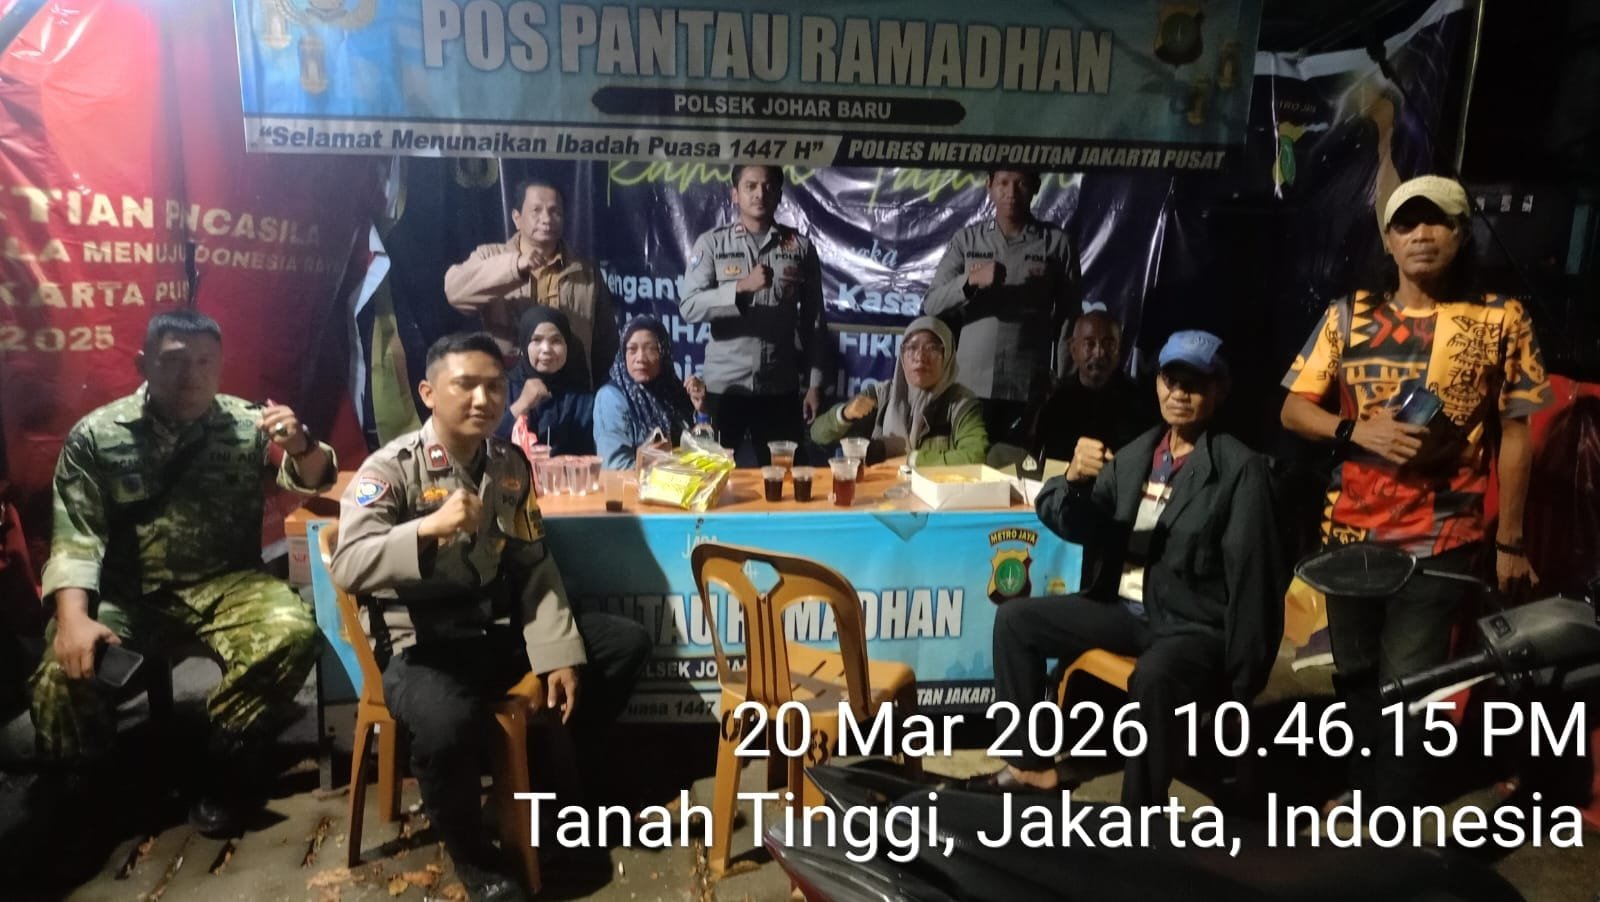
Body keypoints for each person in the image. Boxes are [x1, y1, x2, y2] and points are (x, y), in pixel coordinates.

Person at [330, 333, 651, 901]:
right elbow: (349, 564)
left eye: (495, 386)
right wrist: (424, 530)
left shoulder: (508, 465)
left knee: (620, 643)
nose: (483, 399)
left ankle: (546, 792)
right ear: (429, 393)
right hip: (418, 648)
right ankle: (476, 860)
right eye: (466, 385)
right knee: (446, 724)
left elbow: (533, 564)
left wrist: (558, 654)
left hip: (489, 634)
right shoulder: (392, 470)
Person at [1279, 175, 1550, 810]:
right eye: (1406, 224)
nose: (1420, 235)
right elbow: (1293, 408)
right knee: (1355, 673)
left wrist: (1510, 541)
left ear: (1461, 234)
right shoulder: (1348, 314)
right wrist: (1354, 429)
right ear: (1388, 240)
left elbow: (1516, 433)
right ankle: (1361, 790)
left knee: (1411, 683)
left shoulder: (1500, 318)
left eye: (1436, 222)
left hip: (1441, 537)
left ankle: (1389, 817)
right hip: (1350, 533)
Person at [29, 310, 334, 836]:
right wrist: (73, 619)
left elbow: (313, 479)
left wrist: (301, 444)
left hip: (226, 583)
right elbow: (76, 536)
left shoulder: (247, 424)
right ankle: (82, 779)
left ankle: (224, 756)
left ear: (220, 365)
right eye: (174, 361)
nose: (191, 375)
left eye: (204, 362)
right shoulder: (97, 436)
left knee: (293, 632)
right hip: (127, 592)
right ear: (143, 363)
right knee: (61, 672)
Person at [989, 331, 1283, 808]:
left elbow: (1257, 582)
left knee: (1154, 676)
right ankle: (1029, 766)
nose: (1180, 393)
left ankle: (1138, 813)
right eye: (1171, 380)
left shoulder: (1239, 469)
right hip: (1124, 611)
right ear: (1157, 384)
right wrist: (1072, 481)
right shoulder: (1136, 456)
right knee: (1015, 620)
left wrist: (1243, 686)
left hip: (1191, 626)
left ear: (1220, 389)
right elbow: (1072, 521)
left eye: (1194, 382)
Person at [679, 164, 828, 465]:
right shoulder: (712, 243)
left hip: (779, 387)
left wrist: (814, 385)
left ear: (779, 195)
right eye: (750, 186)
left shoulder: (799, 247)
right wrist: (740, 288)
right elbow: (689, 307)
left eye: (768, 187)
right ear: (735, 194)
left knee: (784, 478)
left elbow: (813, 322)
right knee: (713, 474)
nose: (760, 193)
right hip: (725, 389)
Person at [924, 168, 1081, 444]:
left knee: (1018, 466)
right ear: (989, 185)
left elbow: (1069, 321)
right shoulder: (967, 240)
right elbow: (931, 304)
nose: (1011, 193)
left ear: (1036, 187)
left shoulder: (1057, 244)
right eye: (1003, 183)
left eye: (1021, 183)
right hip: (970, 386)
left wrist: (1064, 382)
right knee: (969, 465)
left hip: (1028, 387)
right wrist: (970, 280)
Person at [444, 178, 617, 388]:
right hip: (509, 389)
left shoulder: (586, 272)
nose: (546, 219)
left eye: (555, 211)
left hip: (571, 392)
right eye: (536, 210)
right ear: (517, 218)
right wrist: (515, 267)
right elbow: (455, 291)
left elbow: (606, 343)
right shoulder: (490, 256)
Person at [811, 316, 989, 466]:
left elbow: (975, 457)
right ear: (902, 356)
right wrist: (845, 414)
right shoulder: (882, 395)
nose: (920, 357)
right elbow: (818, 434)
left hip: (935, 494)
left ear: (948, 356)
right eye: (911, 348)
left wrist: (911, 460)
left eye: (932, 348)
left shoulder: (960, 403)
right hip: (879, 490)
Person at [1024, 307, 1158, 461]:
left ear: (1119, 350)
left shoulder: (1138, 404)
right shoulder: (1056, 402)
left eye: (1108, 345)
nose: (1099, 353)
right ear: (1074, 349)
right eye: (1089, 344)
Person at [593, 316, 698, 471]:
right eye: (632, 349)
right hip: (636, 484)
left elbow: (701, 451)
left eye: (650, 349)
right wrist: (653, 462)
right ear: (623, 354)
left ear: (663, 353)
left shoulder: (672, 391)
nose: (640, 358)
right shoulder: (611, 398)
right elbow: (615, 466)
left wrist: (701, 410)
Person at [498, 307, 596, 458]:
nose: (546, 349)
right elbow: (485, 443)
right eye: (536, 340)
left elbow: (588, 456)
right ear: (524, 345)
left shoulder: (582, 398)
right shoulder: (503, 389)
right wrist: (521, 405)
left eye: (556, 341)